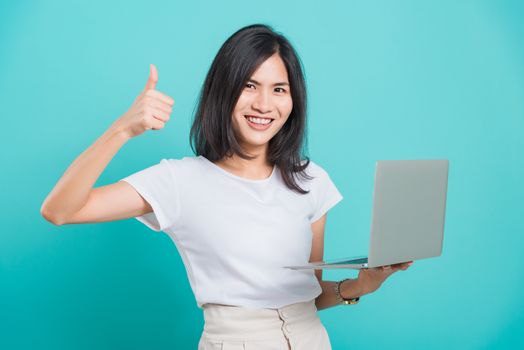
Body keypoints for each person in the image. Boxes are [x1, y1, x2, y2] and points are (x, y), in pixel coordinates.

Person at [41, 24, 412, 350]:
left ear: (293, 100)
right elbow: (61, 210)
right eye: (249, 86)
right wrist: (122, 129)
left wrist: (358, 287)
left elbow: (308, 295)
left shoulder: (310, 178)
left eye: (279, 89)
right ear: (224, 92)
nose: (264, 104)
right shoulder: (179, 181)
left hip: (311, 340)